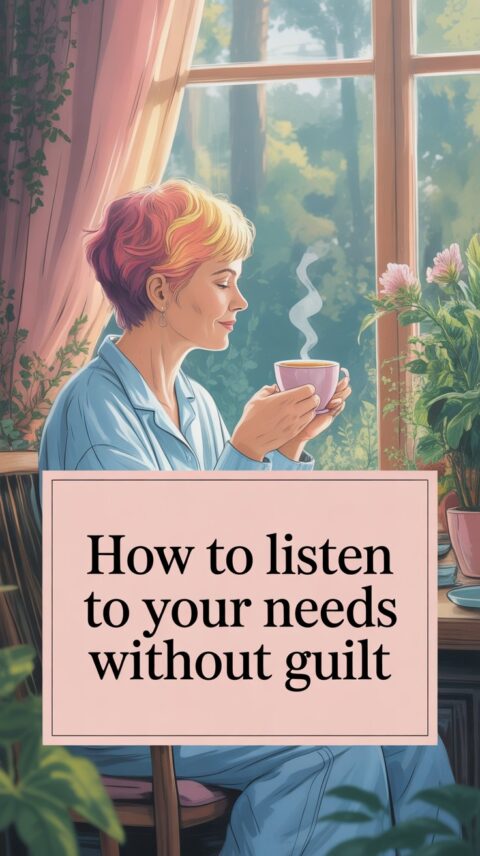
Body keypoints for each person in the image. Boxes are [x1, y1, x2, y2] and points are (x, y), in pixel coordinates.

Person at [39, 179, 455, 855]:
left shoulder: (194, 402)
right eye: (224, 281)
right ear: (162, 291)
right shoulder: (95, 414)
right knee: (332, 744)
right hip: (128, 695)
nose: (241, 300)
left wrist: (285, 450)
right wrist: (246, 450)